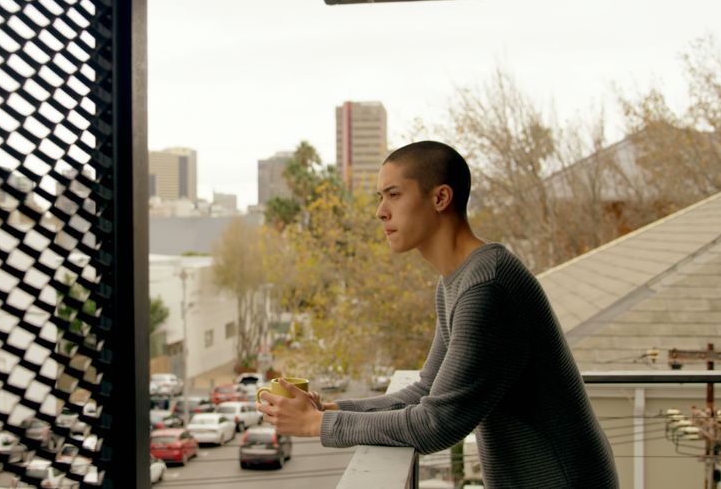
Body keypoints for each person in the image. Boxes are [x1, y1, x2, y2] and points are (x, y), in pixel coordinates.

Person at [257, 140, 618, 488]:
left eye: (394, 195)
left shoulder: (487, 287)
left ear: (440, 197)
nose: (381, 211)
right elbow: (427, 390)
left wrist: (317, 425)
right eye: (380, 197)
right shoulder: (456, 282)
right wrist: (334, 409)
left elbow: (437, 423)